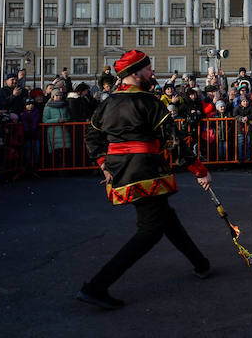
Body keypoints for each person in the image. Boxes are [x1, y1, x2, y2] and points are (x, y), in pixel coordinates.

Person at [78, 50, 212, 310]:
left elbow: (91, 137)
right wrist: (199, 169)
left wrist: (104, 164)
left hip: (122, 172)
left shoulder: (107, 103)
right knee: (150, 231)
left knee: (166, 219)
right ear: (136, 72)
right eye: (148, 68)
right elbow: (173, 141)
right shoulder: (149, 102)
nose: (152, 73)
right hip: (145, 171)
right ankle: (96, 287)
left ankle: (201, 263)